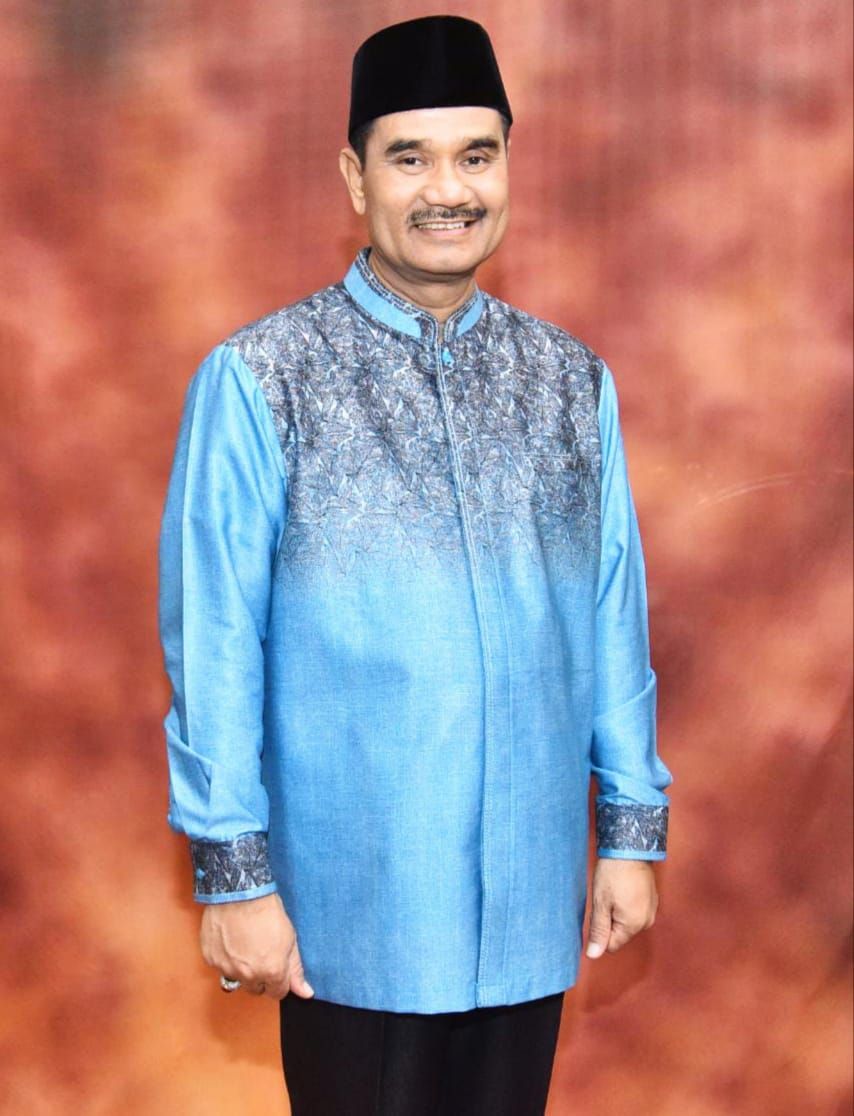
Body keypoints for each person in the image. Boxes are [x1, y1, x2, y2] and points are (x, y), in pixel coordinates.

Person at [157, 14, 674, 1115]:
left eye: (475, 156)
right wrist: (234, 875)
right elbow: (214, 642)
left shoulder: (568, 381)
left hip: (528, 904)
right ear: (355, 178)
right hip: (352, 918)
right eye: (409, 158)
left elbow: (610, 616)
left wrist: (630, 832)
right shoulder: (263, 379)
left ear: (507, 167)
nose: (449, 190)